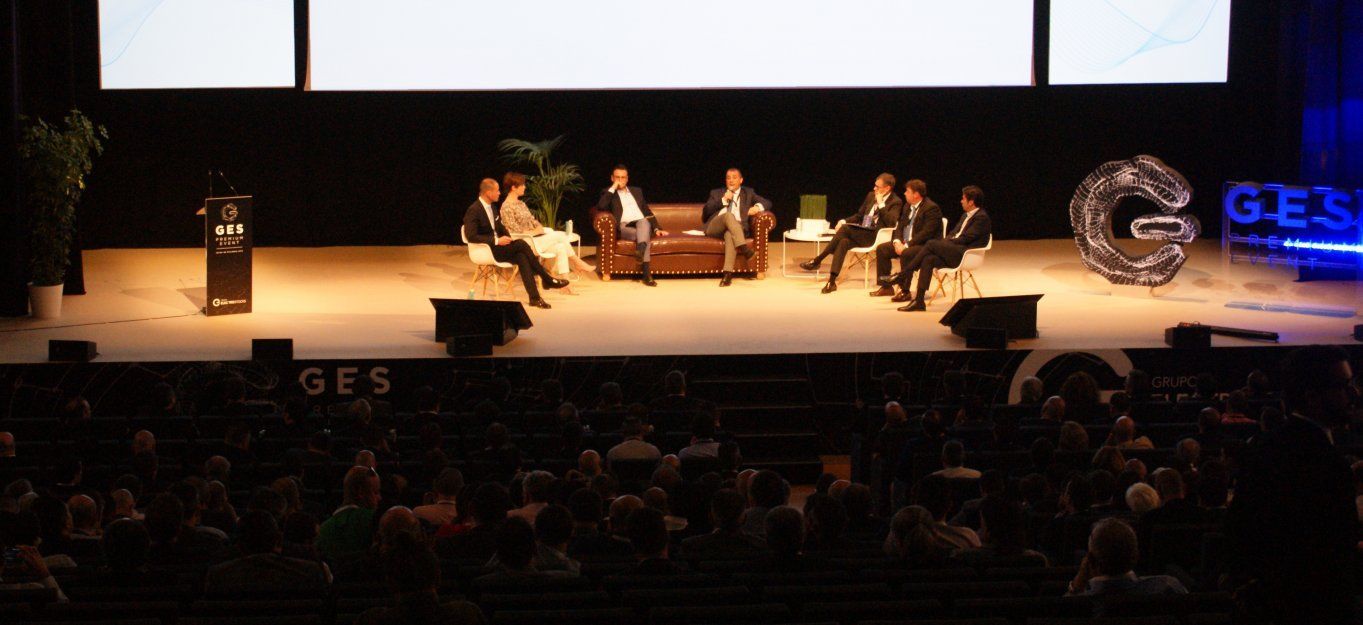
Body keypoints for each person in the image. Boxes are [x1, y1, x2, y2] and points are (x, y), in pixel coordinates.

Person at [1225, 345, 1358, 623]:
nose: (1353, 394)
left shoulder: (1262, 449)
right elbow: (1337, 552)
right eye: (1343, 386)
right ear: (1312, 396)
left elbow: (1240, 531)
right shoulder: (1331, 465)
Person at [463, 178, 568, 309]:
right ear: (488, 192)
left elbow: (500, 227)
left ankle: (535, 298)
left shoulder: (492, 207)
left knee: (521, 257)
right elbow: (471, 236)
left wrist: (508, 238)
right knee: (522, 244)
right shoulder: (474, 210)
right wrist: (497, 240)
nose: (499, 193)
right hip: (487, 250)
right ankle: (546, 279)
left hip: (500, 247)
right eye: (497, 191)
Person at [799, 173, 904, 293]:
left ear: (887, 188)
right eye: (874, 185)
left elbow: (891, 222)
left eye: (877, 187)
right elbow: (859, 216)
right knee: (843, 242)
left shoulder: (896, 201)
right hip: (862, 232)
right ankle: (831, 282)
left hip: (876, 236)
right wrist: (844, 220)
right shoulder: (871, 195)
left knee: (844, 229)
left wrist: (881, 204)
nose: (874, 188)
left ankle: (817, 260)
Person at [896, 185, 992, 310]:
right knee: (928, 259)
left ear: (971, 202)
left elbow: (965, 239)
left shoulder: (981, 218)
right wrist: (946, 243)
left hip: (965, 255)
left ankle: (902, 274)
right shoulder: (966, 215)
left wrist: (947, 244)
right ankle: (919, 301)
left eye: (963, 199)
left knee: (931, 243)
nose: (961, 201)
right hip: (954, 251)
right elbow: (953, 233)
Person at [498, 172, 595, 282]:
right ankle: (578, 262)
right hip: (524, 243)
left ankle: (566, 282)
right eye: (522, 185)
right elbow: (515, 232)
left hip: (535, 239)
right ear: (513, 187)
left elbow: (533, 220)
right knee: (559, 236)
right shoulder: (506, 207)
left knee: (561, 247)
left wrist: (539, 227)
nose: (524, 187)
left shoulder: (521, 204)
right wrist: (536, 231)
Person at [1067, 518, 1187, 597]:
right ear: (1136, 556)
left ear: (1091, 561)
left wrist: (1076, 587)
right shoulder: (1168, 587)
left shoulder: (1081, 604)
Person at [597, 164, 666, 286]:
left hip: (641, 224)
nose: (620, 180)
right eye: (617, 177)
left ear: (627, 179)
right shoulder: (608, 193)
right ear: (612, 178)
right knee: (644, 236)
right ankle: (646, 273)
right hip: (625, 227)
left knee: (643, 222)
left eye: (623, 177)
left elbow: (647, 212)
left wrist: (656, 228)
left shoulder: (637, 191)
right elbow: (601, 206)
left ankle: (642, 255)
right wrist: (613, 187)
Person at [871, 179, 942, 296]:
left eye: (907, 191)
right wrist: (897, 242)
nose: (904, 193)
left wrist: (907, 245)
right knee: (882, 249)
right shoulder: (908, 206)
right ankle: (886, 287)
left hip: (924, 245)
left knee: (906, 253)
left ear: (916, 194)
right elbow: (900, 226)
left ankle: (905, 291)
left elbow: (926, 233)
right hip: (905, 242)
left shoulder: (931, 208)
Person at [703, 168, 772, 287]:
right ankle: (745, 249)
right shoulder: (717, 193)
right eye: (728, 178)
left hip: (737, 229)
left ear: (741, 180)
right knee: (729, 215)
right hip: (716, 227)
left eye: (734, 178)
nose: (731, 180)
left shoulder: (748, 193)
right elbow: (706, 212)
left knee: (730, 234)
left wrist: (757, 207)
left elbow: (768, 203)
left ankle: (727, 274)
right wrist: (723, 200)